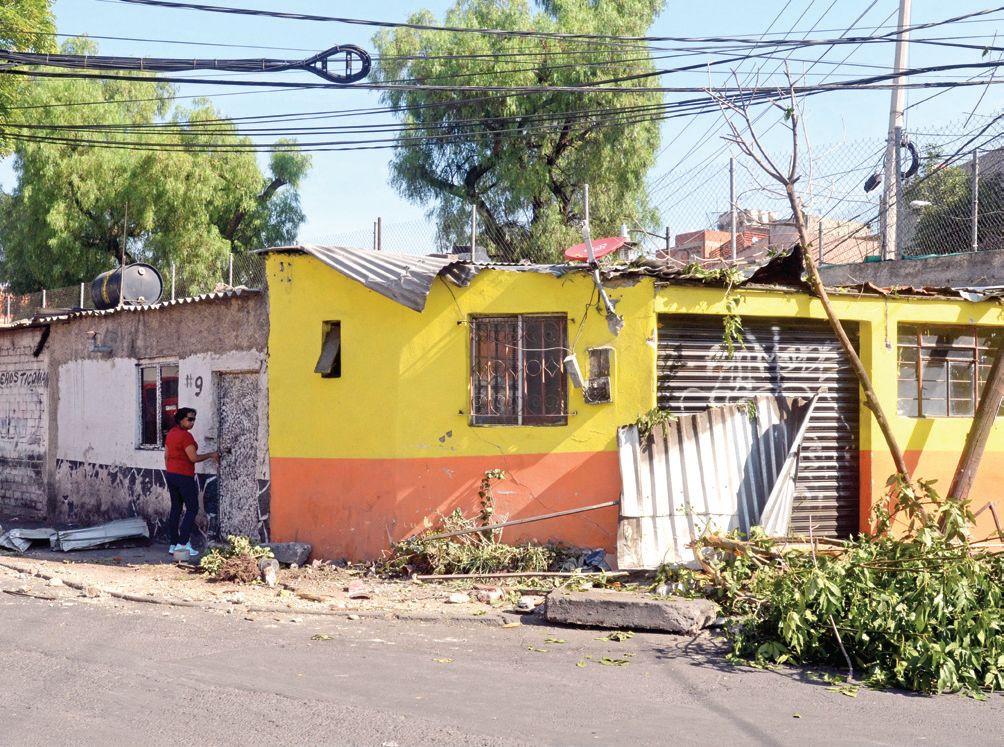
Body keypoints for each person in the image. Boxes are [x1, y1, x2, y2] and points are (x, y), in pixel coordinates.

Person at [164, 407, 219, 559]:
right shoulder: (185, 436)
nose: (192, 422)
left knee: (176, 508)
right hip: (184, 476)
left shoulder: (170, 434)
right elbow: (193, 458)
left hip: (171, 475)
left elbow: (166, 455)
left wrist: (171, 471)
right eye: (189, 419)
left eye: (194, 419)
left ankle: (174, 544)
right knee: (192, 509)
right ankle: (183, 544)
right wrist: (211, 455)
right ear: (181, 419)